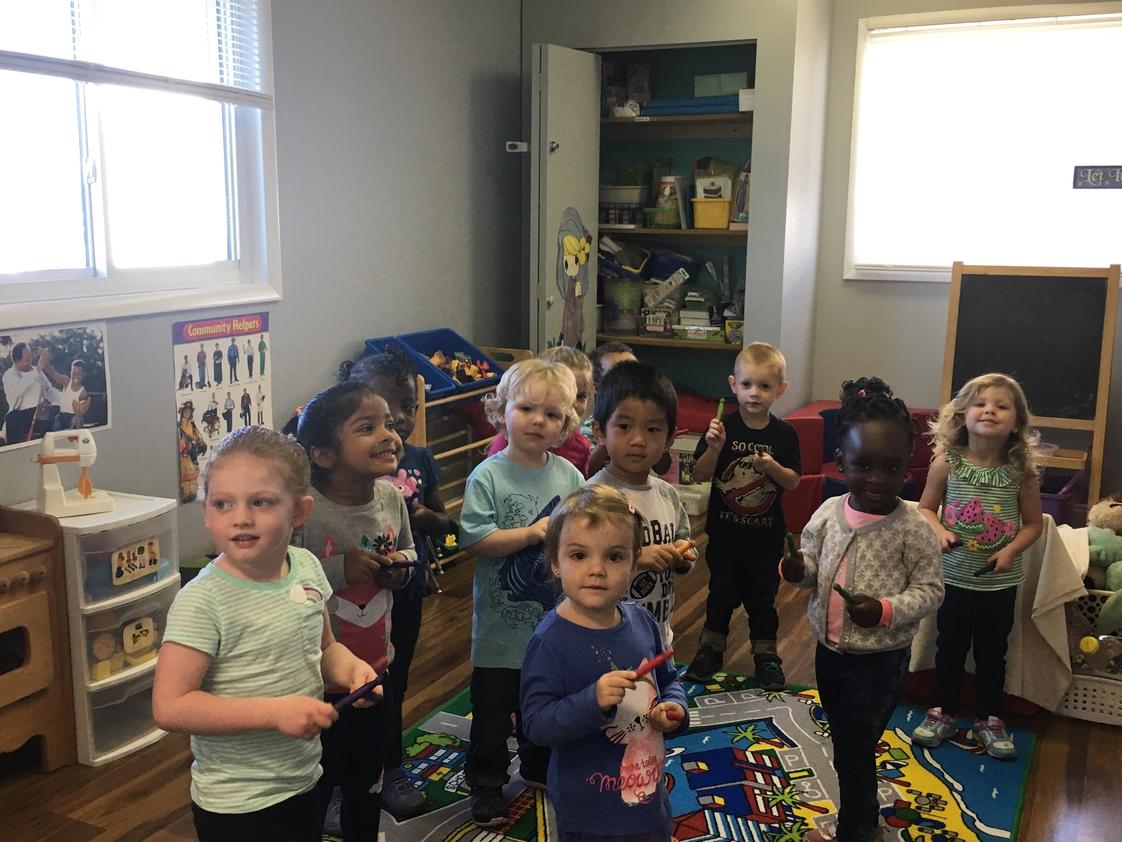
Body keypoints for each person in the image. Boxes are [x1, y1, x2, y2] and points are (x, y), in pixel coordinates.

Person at [153, 427, 380, 842]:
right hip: (239, 805)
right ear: (206, 512)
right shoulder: (202, 601)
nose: (240, 517)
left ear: (299, 511)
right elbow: (170, 706)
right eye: (223, 504)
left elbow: (325, 647)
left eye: (261, 502)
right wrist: (274, 713)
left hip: (304, 779)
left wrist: (349, 670)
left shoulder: (307, 566)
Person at [780, 377, 944, 842]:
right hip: (829, 652)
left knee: (854, 746)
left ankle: (856, 828)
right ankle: (862, 812)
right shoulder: (829, 511)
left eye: (891, 468)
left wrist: (887, 610)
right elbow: (811, 565)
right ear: (841, 462)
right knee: (847, 740)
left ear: (908, 470)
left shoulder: (913, 527)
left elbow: (932, 590)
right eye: (863, 465)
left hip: (882, 660)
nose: (876, 479)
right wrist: (796, 569)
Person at [521, 485, 687, 841]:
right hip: (588, 814)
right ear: (555, 562)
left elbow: (667, 680)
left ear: (633, 562)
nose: (596, 570)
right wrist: (591, 701)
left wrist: (673, 707)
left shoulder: (642, 621)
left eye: (613, 557)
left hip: (648, 797)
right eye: (579, 556)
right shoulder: (550, 641)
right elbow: (536, 726)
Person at [459, 357, 584, 828]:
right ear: (501, 411)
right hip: (497, 632)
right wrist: (533, 533)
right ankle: (487, 783)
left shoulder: (570, 478)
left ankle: (537, 765)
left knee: (544, 703)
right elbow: (476, 540)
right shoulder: (488, 475)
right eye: (527, 408)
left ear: (566, 424)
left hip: (552, 628)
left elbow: (576, 541)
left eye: (552, 415)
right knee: (491, 715)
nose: (538, 421)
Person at [295, 380, 416, 842]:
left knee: (368, 778)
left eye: (388, 423)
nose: (389, 434)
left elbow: (406, 548)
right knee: (320, 783)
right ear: (323, 454)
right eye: (368, 427)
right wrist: (339, 567)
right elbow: (287, 579)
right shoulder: (306, 510)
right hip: (317, 680)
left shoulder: (390, 497)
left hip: (375, 669)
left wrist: (400, 568)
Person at [338, 348, 449, 819]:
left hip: (401, 594)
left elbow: (445, 524)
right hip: (339, 607)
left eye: (408, 408)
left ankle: (389, 768)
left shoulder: (419, 460)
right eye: (382, 413)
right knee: (338, 690)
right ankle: (339, 783)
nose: (399, 421)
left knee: (391, 683)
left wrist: (423, 519)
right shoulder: (324, 478)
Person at [911, 373, 1043, 761]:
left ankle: (989, 717)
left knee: (991, 652)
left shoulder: (1021, 472)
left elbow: (1034, 524)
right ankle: (942, 712)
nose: (990, 411)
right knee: (949, 647)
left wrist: (1010, 552)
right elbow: (924, 509)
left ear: (1016, 420)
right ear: (963, 414)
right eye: (981, 403)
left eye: (1002, 406)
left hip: (998, 585)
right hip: (951, 578)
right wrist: (937, 530)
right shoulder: (946, 464)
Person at [684, 342, 802, 689]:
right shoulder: (721, 429)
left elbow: (793, 481)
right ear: (733, 384)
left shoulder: (784, 434)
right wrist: (715, 449)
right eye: (748, 384)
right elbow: (699, 475)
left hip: (765, 538)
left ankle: (766, 656)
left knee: (762, 600)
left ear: (780, 390)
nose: (755, 393)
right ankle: (710, 649)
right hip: (724, 535)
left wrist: (773, 467)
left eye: (765, 386)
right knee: (720, 594)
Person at [587, 361, 694, 645]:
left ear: (670, 437)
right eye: (623, 426)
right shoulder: (592, 497)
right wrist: (636, 558)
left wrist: (683, 556)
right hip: (605, 639)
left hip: (658, 637)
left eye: (653, 429)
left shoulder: (666, 494)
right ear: (600, 431)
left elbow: (683, 539)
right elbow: (580, 566)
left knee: (656, 691)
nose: (638, 440)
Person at [487, 345, 593, 476]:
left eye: (581, 396)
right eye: (527, 408)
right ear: (502, 412)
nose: (573, 405)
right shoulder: (504, 447)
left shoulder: (579, 451)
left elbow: (579, 494)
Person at [586, 342, 638, 475]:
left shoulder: (642, 422)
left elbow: (662, 467)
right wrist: (605, 438)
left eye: (634, 372)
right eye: (617, 376)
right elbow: (587, 471)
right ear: (596, 387)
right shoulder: (588, 429)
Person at [2, 342, 53, 443]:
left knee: (51, 412)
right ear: (16, 361)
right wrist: (37, 370)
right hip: (22, 414)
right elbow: (19, 390)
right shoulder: (9, 375)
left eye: (30, 359)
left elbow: (49, 388)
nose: (30, 363)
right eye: (26, 360)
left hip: (42, 411)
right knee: (10, 418)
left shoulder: (35, 370)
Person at [177, 400, 208, 502]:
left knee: (194, 472)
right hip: (183, 456)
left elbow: (197, 436)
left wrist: (201, 444)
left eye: (189, 412)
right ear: (182, 413)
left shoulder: (192, 425)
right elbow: (178, 441)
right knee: (186, 473)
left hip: (192, 454)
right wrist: (185, 445)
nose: (187, 414)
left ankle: (193, 492)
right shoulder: (178, 427)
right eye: (185, 411)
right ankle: (186, 493)